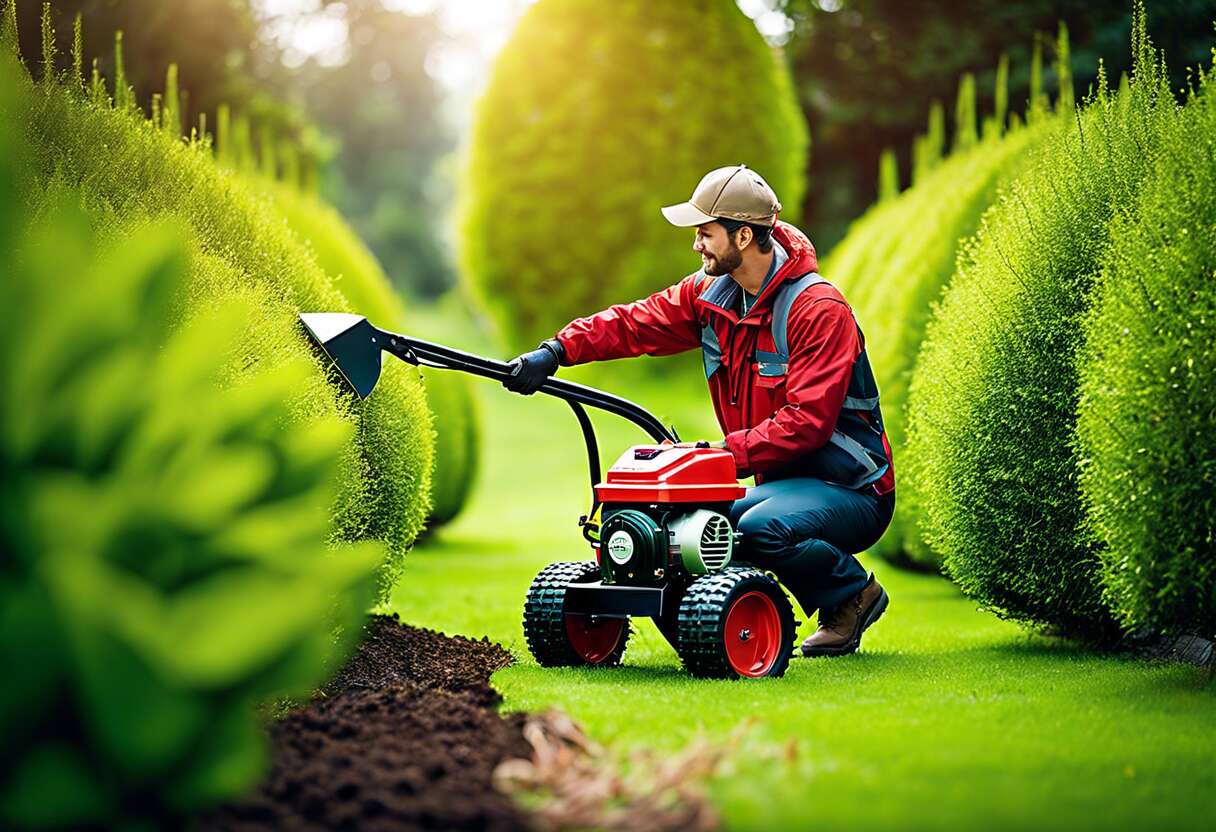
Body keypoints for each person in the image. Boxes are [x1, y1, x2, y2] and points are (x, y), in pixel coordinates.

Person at [503, 164, 895, 657]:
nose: (697, 246)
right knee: (693, 525)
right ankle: (705, 628)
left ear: (744, 234)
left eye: (706, 234)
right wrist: (556, 352)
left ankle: (851, 595)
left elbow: (807, 424)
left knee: (754, 529)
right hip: (780, 487)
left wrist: (717, 457)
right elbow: (633, 324)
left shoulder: (817, 310)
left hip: (853, 489)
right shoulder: (708, 296)